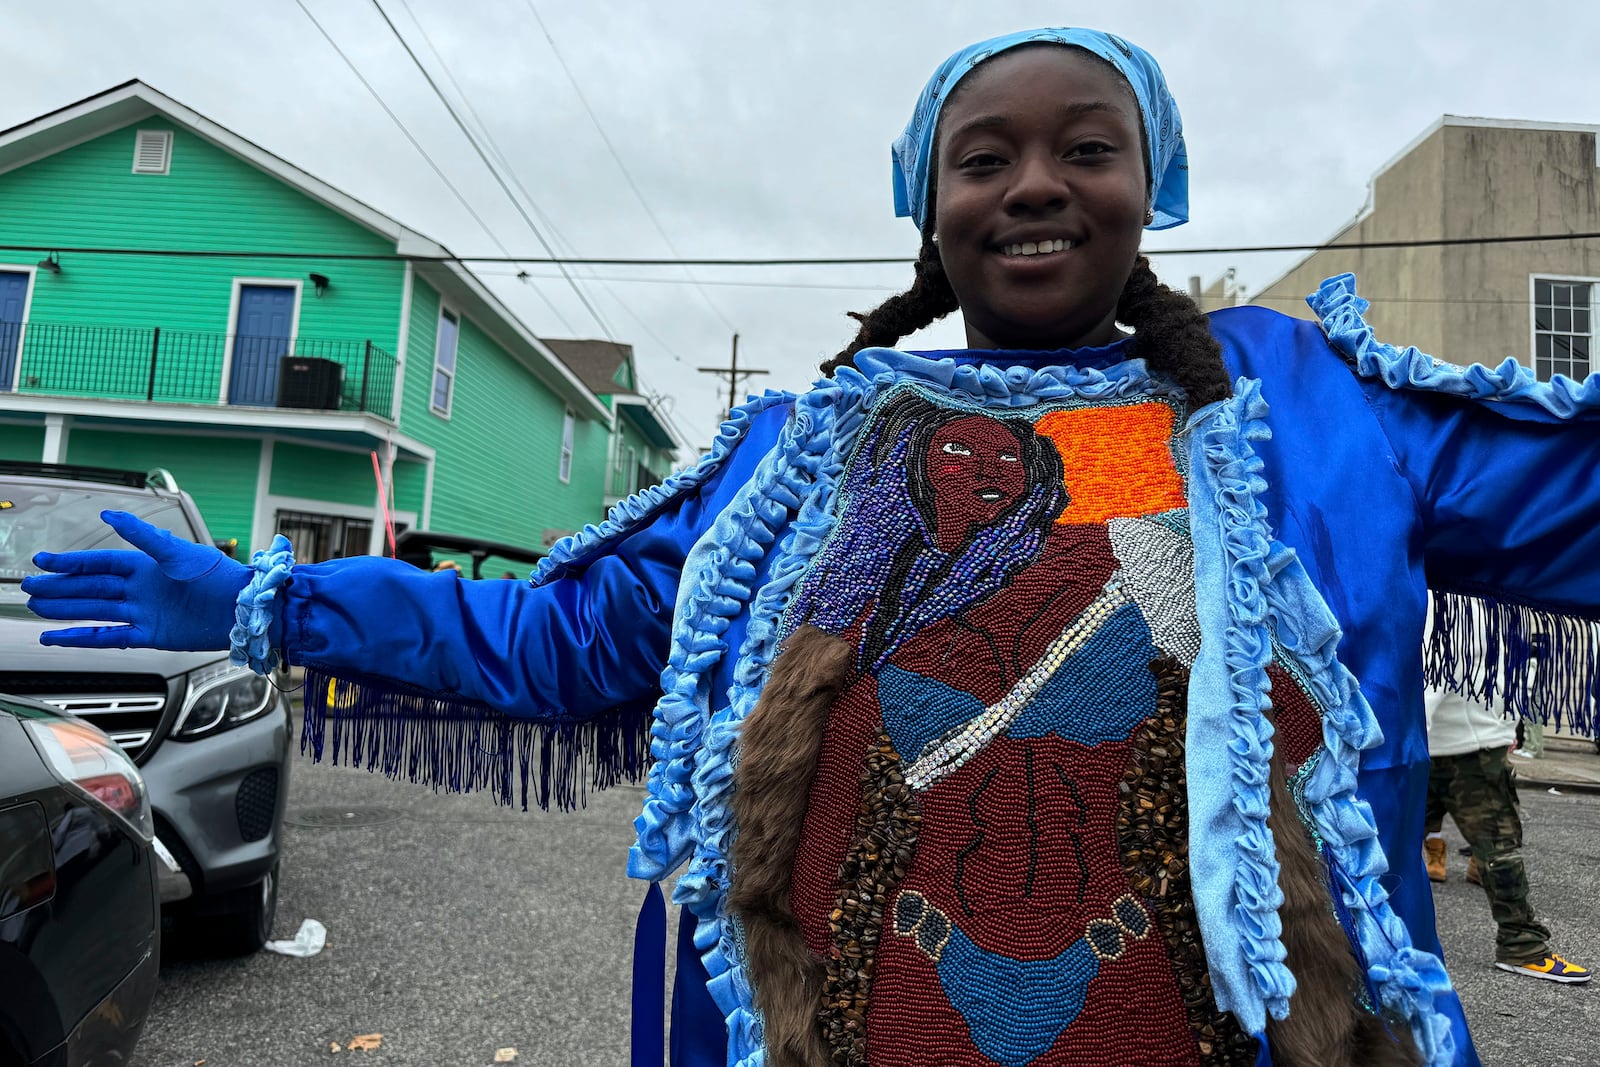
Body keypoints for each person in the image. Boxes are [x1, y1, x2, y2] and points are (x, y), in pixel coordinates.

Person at [24, 27, 1600, 1067]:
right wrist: (266, 594)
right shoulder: (804, 453)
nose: (1036, 182)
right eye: (985, 159)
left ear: (1151, 187)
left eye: (1086, 149)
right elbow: (559, 636)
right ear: (932, 208)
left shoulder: (1302, 409)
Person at [1422, 684, 1590, 983]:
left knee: (1386, 843)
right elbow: (1437, 682)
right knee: (1500, 849)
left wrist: (1505, 728)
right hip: (1467, 752)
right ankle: (1521, 945)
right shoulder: (1471, 634)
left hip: (1450, 744)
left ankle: (1349, 932)